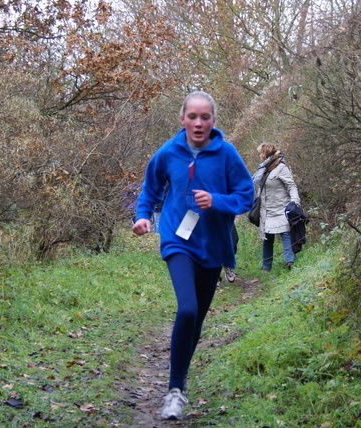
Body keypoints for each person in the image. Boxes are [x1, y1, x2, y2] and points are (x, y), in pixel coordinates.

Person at [132, 91, 254, 420]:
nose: (198, 123)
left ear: (214, 121)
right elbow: (150, 189)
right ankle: (175, 390)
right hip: (177, 238)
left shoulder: (226, 154)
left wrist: (217, 201)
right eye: (192, 116)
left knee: (197, 319)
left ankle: (180, 381)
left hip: (212, 245)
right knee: (187, 309)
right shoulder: (169, 152)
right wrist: (142, 215)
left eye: (205, 117)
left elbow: (246, 195)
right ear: (182, 119)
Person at [252, 142, 301, 272]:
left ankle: (290, 262)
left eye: (260, 154)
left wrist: (295, 201)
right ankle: (266, 268)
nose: (259, 156)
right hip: (266, 210)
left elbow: (291, 185)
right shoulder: (262, 169)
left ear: (265, 154)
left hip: (281, 208)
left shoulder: (281, 168)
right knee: (267, 239)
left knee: (285, 234)